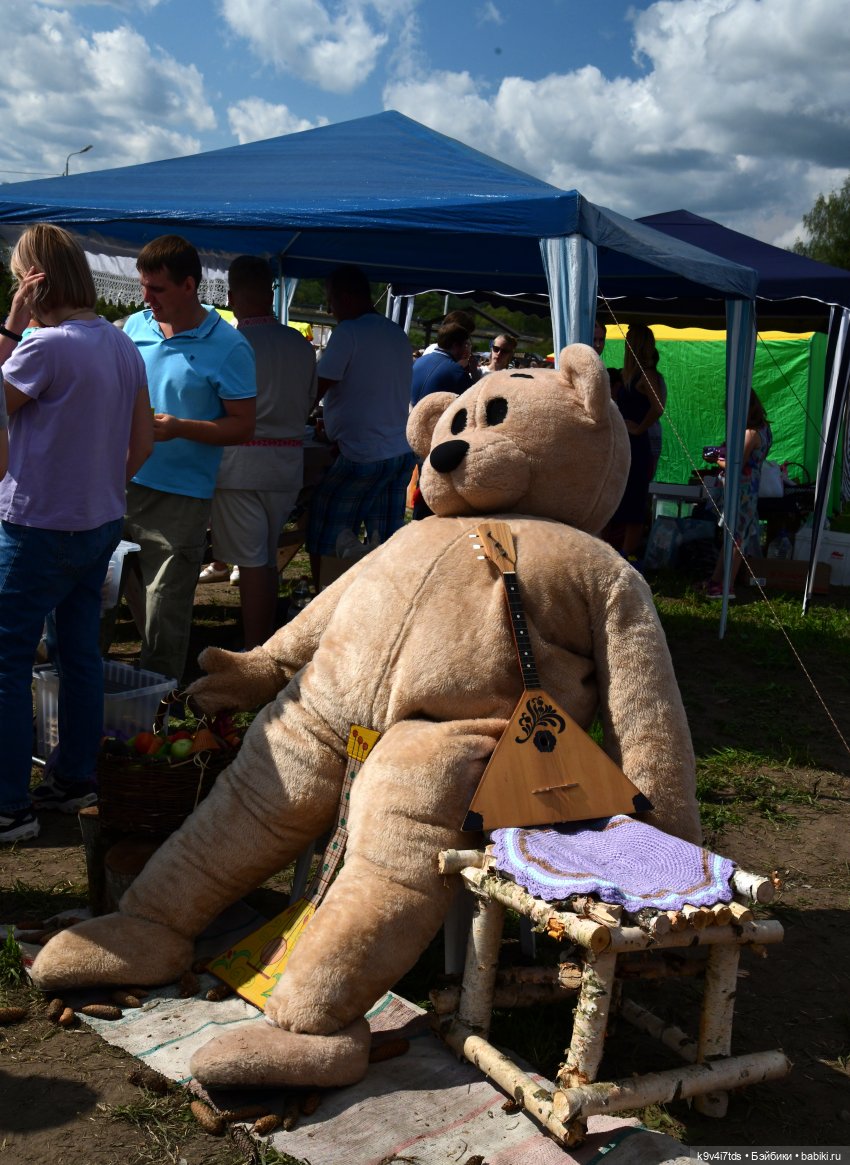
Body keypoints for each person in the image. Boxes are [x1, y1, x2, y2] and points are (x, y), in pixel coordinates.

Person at [0, 224, 153, 842]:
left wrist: (10, 325)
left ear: (33, 280)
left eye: (18, 279)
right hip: (98, 521)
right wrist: (101, 488)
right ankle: (75, 776)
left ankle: (10, 805)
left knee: (7, 663)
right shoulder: (121, 345)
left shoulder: (45, 346)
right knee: (80, 654)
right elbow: (142, 439)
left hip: (37, 524)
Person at [121, 236, 256, 685]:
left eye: (156, 288)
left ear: (189, 285)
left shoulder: (230, 345)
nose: (146, 298)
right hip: (119, 482)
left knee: (166, 606)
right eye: (143, 286)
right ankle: (86, 684)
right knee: (97, 589)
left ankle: (158, 700)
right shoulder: (133, 328)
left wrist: (180, 427)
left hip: (180, 495)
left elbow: (243, 426)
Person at [208, 256, 317, 648]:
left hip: (240, 466)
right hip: (286, 463)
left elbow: (213, 406)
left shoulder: (228, 343)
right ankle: (265, 644)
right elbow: (308, 403)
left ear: (232, 296)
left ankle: (257, 652)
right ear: (271, 293)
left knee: (253, 562)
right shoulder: (299, 346)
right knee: (266, 558)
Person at [306, 265, 415, 588]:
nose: (331, 309)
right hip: (398, 451)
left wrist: (293, 420)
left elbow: (316, 389)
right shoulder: (396, 333)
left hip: (362, 454)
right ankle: (384, 600)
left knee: (325, 531)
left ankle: (325, 600)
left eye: (331, 301)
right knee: (386, 539)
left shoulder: (349, 332)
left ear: (346, 297)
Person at [605, 323, 666, 559]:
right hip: (624, 444)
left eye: (628, 339)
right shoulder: (628, 374)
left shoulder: (646, 374)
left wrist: (640, 428)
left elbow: (658, 406)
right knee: (618, 499)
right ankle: (613, 551)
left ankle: (627, 555)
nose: (625, 343)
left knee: (634, 502)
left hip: (637, 446)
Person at [704, 392, 772, 599]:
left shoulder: (750, 433)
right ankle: (716, 581)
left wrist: (715, 458)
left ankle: (727, 586)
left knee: (735, 540)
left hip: (740, 491)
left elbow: (736, 465)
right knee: (732, 537)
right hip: (749, 490)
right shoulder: (765, 429)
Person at [410, 321, 472, 406]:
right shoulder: (457, 373)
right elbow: (471, 402)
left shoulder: (418, 361)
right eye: (465, 345)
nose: (466, 349)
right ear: (455, 345)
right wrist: (474, 372)